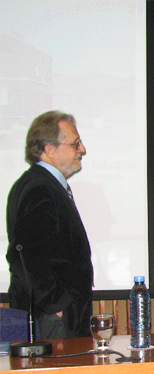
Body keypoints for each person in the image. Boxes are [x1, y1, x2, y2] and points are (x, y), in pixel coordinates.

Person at [6, 111, 93, 339]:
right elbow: (25, 257)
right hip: (52, 319)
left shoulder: (42, 184)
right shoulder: (40, 189)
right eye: (75, 144)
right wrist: (57, 307)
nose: (82, 149)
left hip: (54, 316)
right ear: (50, 149)